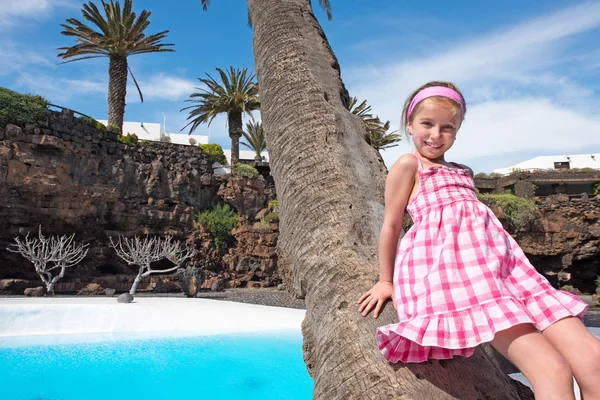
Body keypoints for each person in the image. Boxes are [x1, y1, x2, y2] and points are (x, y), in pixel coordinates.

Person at [357, 81, 600, 399]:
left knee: (593, 359)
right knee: (551, 369)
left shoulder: (463, 171)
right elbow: (391, 225)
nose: (435, 134)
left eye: (447, 127)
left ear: (456, 133)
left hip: (509, 269)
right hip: (467, 278)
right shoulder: (408, 165)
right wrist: (385, 280)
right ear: (410, 125)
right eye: (427, 124)